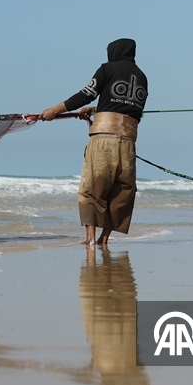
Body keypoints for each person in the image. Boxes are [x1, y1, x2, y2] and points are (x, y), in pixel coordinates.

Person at [39, 39, 148, 247]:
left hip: (103, 140)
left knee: (93, 188)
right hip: (128, 142)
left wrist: (55, 110)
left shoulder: (107, 69)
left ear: (113, 53)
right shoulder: (142, 77)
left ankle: (90, 238)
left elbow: (85, 95)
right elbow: (126, 108)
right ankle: (103, 239)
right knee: (121, 191)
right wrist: (95, 110)